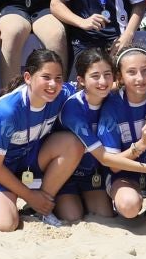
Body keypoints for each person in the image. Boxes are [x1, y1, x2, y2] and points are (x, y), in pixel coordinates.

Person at [0, 47, 78, 232]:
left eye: (58, 78)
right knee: (3, 225)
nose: (53, 84)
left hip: (27, 155)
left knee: (72, 144)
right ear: (28, 77)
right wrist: (29, 195)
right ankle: (13, 198)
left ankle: (42, 206)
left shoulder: (62, 93)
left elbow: (89, 87)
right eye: (46, 77)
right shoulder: (7, 110)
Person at [94, 43, 146, 220]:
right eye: (131, 72)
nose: (140, 78)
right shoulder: (111, 107)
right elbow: (114, 166)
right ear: (120, 76)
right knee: (129, 206)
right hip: (126, 173)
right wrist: (141, 145)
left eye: (145, 70)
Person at [51, 47, 118, 222]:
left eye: (107, 74)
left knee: (105, 215)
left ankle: (82, 198)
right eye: (95, 76)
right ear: (81, 80)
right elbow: (104, 157)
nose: (103, 81)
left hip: (92, 175)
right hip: (65, 175)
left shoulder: (112, 100)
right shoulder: (74, 108)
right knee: (73, 216)